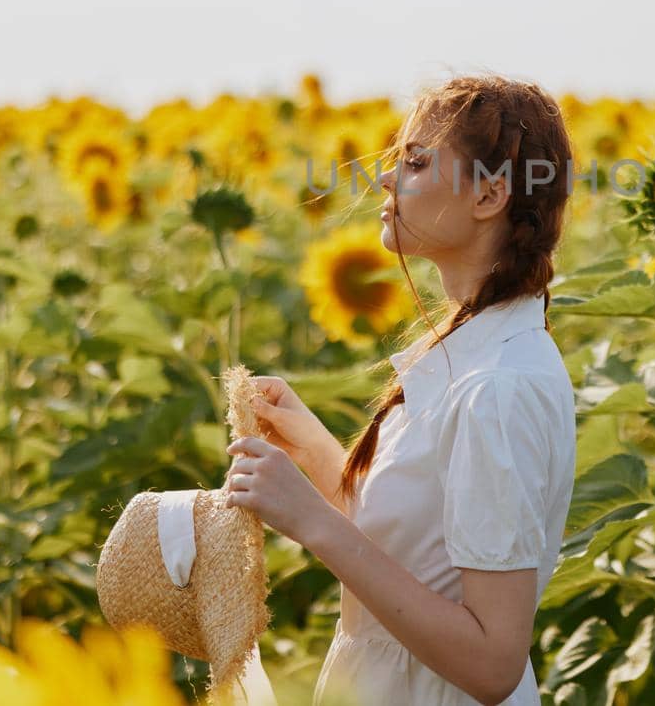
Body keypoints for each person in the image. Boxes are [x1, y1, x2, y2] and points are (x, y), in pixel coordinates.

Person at [223, 74, 578, 705]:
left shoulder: (496, 388)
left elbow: (494, 662)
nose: (387, 179)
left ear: (490, 195)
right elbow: (415, 556)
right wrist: (315, 453)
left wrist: (311, 523)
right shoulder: (472, 353)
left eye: (414, 162)